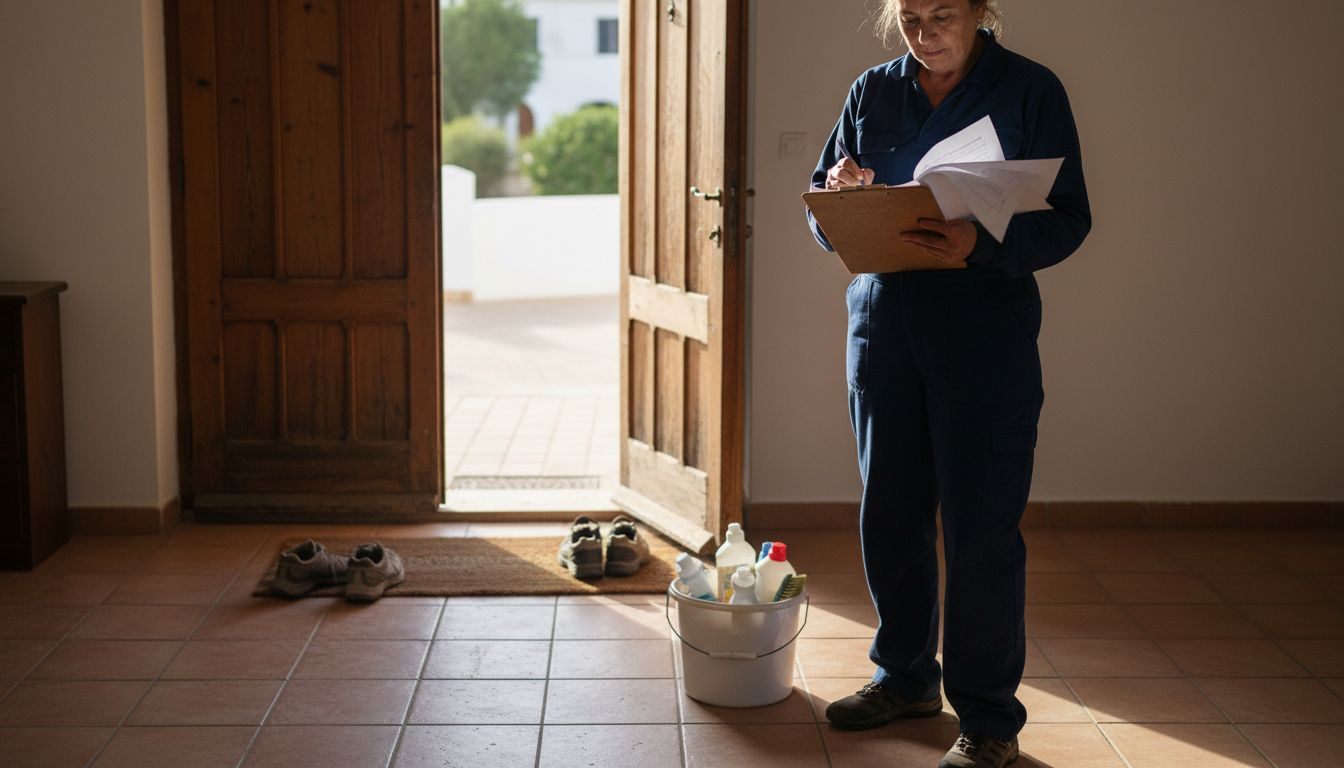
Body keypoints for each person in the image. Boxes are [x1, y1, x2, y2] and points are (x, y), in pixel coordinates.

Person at [806, 2, 1091, 767]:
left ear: (979, 12)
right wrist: (842, 191)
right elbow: (822, 211)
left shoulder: (1030, 90)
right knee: (890, 515)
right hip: (884, 328)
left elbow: (1069, 220)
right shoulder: (872, 89)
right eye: (908, 15)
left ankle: (990, 720)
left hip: (985, 334)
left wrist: (979, 240)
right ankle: (903, 678)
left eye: (941, 14)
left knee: (983, 531)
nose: (923, 31)